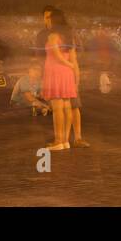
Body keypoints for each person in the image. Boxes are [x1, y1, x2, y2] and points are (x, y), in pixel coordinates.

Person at [41, 8, 79, 148]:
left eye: (49, 18)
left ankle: (58, 141)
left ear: (54, 20)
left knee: (57, 108)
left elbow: (57, 56)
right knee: (66, 105)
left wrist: (67, 64)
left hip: (55, 72)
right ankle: (66, 141)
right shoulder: (69, 37)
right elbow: (73, 58)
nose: (47, 21)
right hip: (67, 73)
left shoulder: (53, 36)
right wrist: (73, 70)